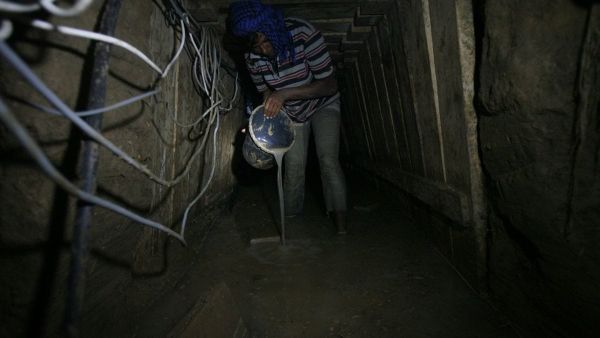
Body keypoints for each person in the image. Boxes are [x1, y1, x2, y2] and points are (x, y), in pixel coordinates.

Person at [228, 0, 347, 234]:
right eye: (256, 46)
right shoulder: (253, 58)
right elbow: (265, 91)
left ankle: (342, 230)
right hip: (292, 113)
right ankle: (292, 229)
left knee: (328, 161)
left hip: (323, 103)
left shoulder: (303, 34)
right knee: (293, 169)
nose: (263, 49)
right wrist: (266, 118)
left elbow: (330, 85)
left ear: (274, 29)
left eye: (266, 41)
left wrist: (286, 93)